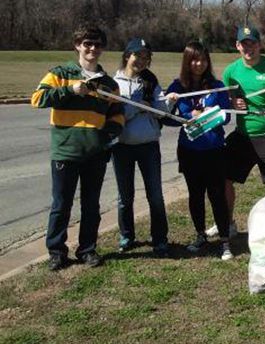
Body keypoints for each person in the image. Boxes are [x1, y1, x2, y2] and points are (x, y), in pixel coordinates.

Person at [31, 24, 124, 270]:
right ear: (77, 46)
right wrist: (69, 90)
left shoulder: (108, 84)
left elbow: (117, 116)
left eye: (97, 45)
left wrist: (106, 138)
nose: (92, 49)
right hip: (65, 151)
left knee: (91, 205)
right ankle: (57, 251)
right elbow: (37, 99)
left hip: (95, 153)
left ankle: (87, 249)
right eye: (87, 44)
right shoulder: (60, 73)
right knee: (61, 204)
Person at [221, 25, 265, 227]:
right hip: (243, 133)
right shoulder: (230, 72)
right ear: (237, 46)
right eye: (244, 44)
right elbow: (226, 102)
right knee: (222, 176)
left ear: (259, 45)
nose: (248, 48)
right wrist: (232, 103)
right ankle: (227, 223)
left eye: (252, 43)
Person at [165, 41, 232, 260]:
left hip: (214, 149)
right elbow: (169, 120)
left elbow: (227, 116)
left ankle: (224, 241)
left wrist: (209, 114)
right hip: (189, 150)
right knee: (195, 194)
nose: (199, 64)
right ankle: (200, 235)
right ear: (187, 61)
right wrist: (182, 113)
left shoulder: (217, 85)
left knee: (217, 195)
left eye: (203, 59)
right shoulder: (177, 87)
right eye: (194, 59)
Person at [111, 38, 170, 257]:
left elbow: (162, 110)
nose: (141, 61)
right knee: (125, 196)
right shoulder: (113, 83)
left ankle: (160, 239)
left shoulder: (150, 81)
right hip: (122, 147)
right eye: (138, 56)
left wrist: (155, 105)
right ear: (128, 55)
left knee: (155, 195)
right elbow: (116, 115)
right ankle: (127, 236)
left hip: (148, 146)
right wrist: (137, 108)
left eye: (146, 58)